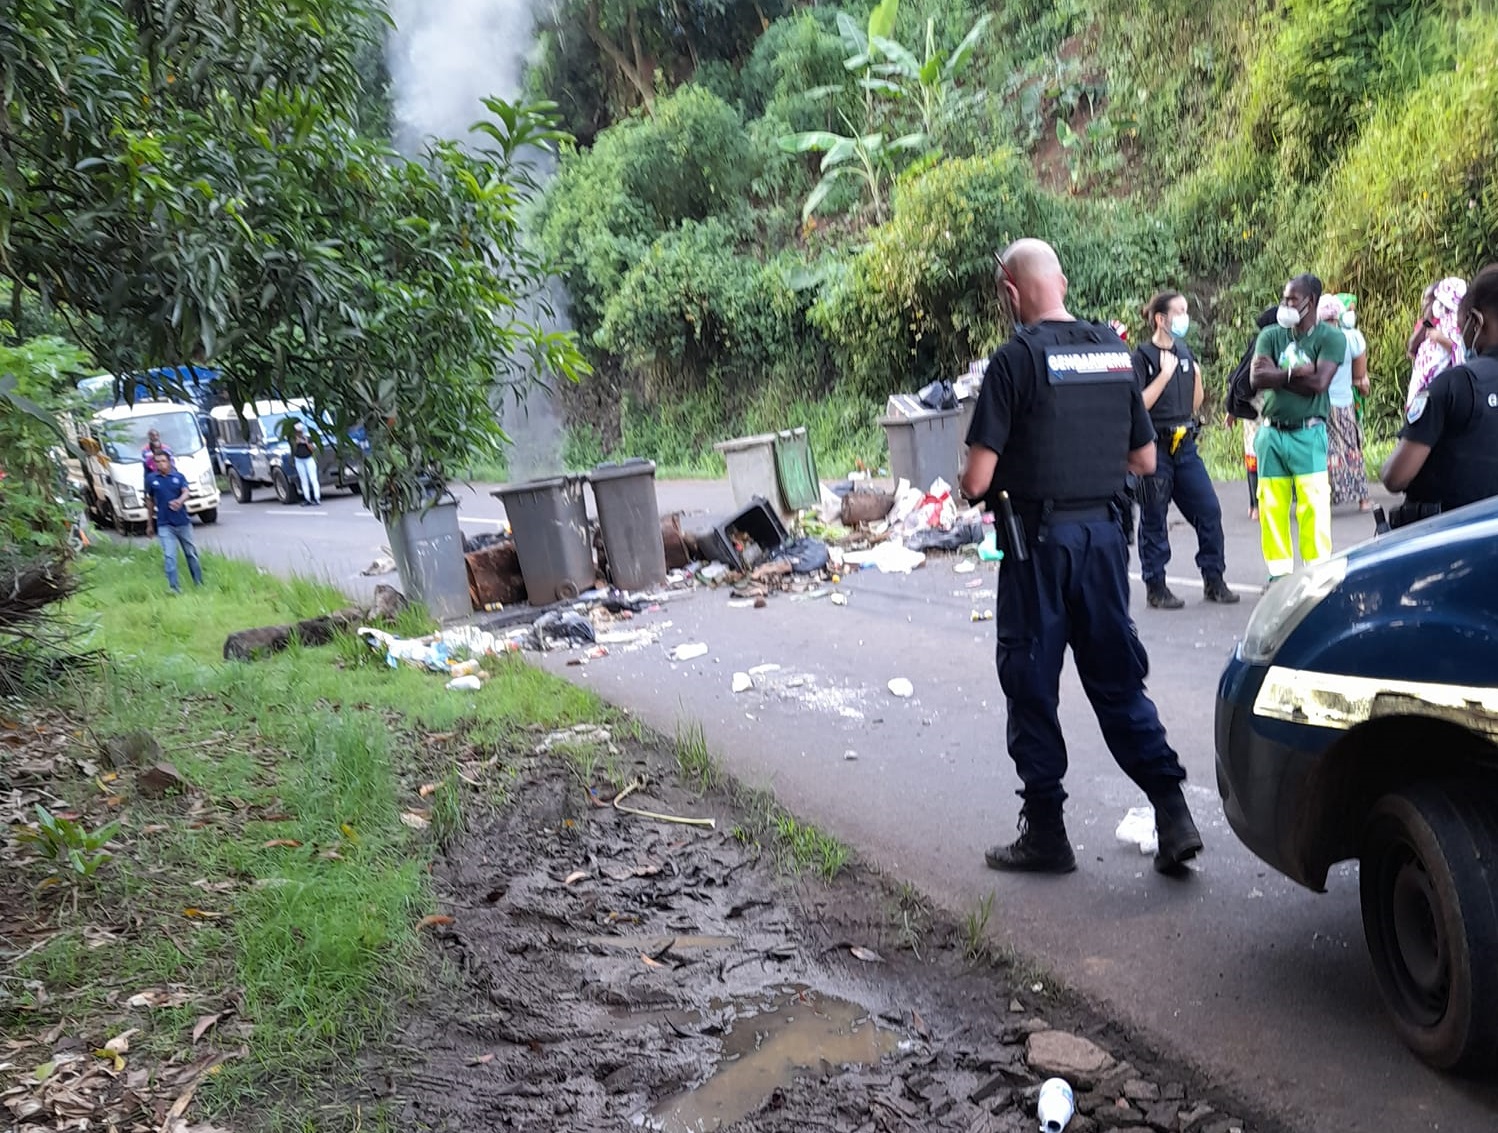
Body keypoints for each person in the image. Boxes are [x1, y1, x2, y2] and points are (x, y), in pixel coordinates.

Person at [959, 238, 1202, 878]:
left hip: (1037, 550)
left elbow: (977, 481)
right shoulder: (1115, 354)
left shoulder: (1013, 362)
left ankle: (1047, 836)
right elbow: (1146, 461)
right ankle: (1174, 815)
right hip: (1103, 544)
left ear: (1011, 292)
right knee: (1119, 684)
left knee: (1032, 685)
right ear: (1061, 282)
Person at [1131, 291, 1238, 609]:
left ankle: (1214, 579)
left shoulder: (1185, 352)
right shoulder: (1143, 358)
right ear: (1161, 319)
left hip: (1185, 447)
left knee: (1208, 511)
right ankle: (1156, 585)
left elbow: (1193, 404)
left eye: (1186, 311)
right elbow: (1138, 406)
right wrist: (1164, 375)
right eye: (1178, 312)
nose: (1184, 317)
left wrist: (1198, 379)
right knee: (1154, 518)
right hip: (1155, 449)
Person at [1382, 264, 1498, 525]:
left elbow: (1395, 477)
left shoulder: (1455, 385)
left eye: (1461, 327)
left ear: (1476, 322)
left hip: (1449, 541)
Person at [1250, 273, 1344, 582]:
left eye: (1293, 299)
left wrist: (1277, 373)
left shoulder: (1331, 338)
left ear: (1311, 302)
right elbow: (1256, 378)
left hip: (1308, 431)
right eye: (1284, 298)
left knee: (1313, 507)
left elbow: (1319, 383)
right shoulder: (1272, 335)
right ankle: (1279, 575)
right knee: (1272, 506)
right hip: (1271, 433)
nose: (1285, 305)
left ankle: (1317, 574)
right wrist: (1293, 374)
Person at [1224, 306, 1280, 520]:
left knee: (1253, 453)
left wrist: (1233, 409)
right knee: (1263, 454)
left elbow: (1238, 376)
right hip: (1263, 406)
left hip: (1252, 408)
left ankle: (1255, 505)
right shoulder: (1270, 344)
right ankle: (1260, 504)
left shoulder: (1257, 342)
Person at [1319, 293, 1372, 510]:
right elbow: (1359, 376)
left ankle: (1325, 496)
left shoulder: (1313, 339)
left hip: (1318, 403)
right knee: (1351, 447)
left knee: (1323, 449)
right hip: (1343, 402)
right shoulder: (1352, 338)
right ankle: (1363, 499)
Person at [145, 452, 203, 593]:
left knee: (191, 553)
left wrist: (179, 501)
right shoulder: (152, 479)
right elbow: (150, 501)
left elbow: (186, 492)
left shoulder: (178, 477)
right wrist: (150, 524)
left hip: (182, 522)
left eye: (163, 461)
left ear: (169, 462)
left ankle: (199, 582)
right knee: (169, 556)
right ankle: (174, 588)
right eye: (157, 462)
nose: (161, 464)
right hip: (164, 524)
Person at [1406, 277, 1467, 413]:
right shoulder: (1430, 324)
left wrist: (1440, 338)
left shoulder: (1457, 324)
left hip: (1444, 391)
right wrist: (1427, 322)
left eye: (1429, 300)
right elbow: (1411, 349)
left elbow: (1460, 351)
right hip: (1426, 393)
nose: (1424, 304)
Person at [292, 424, 321, 506]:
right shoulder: (293, 439)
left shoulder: (307, 437)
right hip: (299, 460)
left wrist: (306, 442)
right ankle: (307, 498)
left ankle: (317, 498)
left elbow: (313, 449)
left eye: (300, 431)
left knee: (313, 479)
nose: (298, 433)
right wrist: (296, 442)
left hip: (309, 459)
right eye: (297, 431)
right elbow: (292, 450)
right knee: (303, 480)